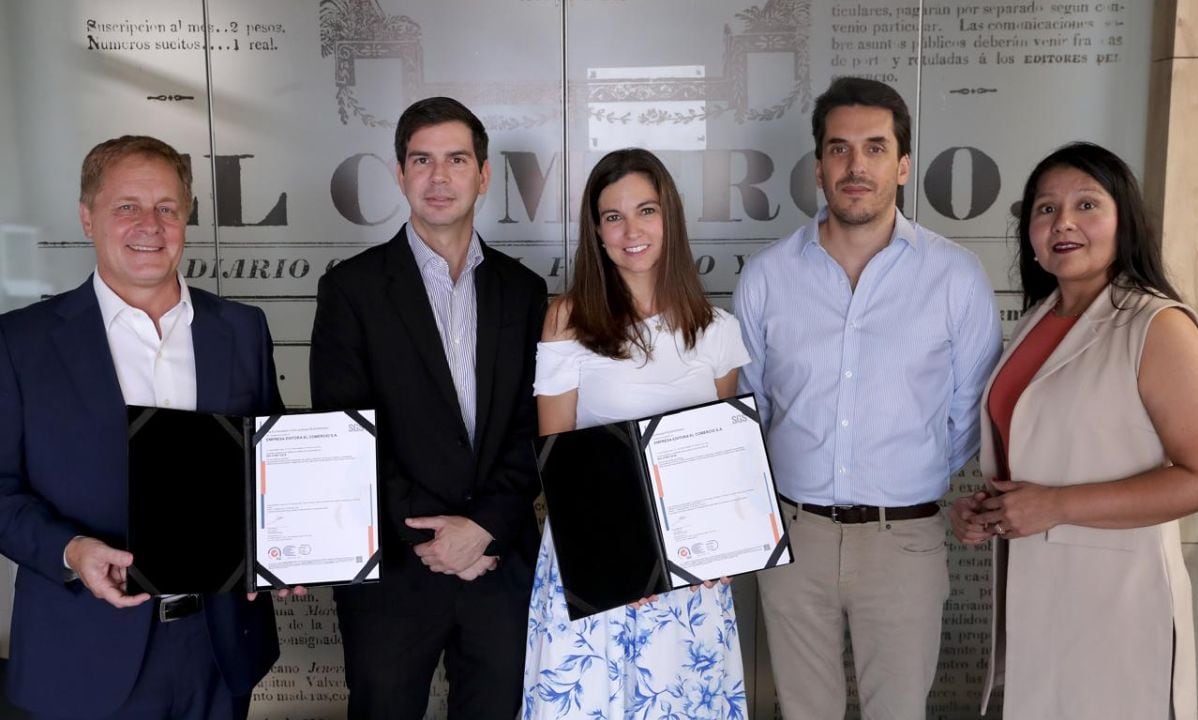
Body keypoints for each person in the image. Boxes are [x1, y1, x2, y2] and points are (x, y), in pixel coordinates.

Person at [734, 76, 1002, 719]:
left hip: (904, 542)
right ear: (819, 164)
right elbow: (751, 408)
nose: (857, 166)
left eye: (876, 148)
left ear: (903, 164)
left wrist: (910, 478)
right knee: (803, 711)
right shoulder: (768, 276)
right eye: (839, 148)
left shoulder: (955, 278)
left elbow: (968, 414)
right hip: (794, 538)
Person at [0, 135, 282, 718]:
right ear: (87, 217)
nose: (149, 225)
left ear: (186, 218)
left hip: (218, 648)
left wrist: (283, 550)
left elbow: (268, 466)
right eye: (126, 206)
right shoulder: (19, 343)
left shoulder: (242, 329)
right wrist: (71, 550)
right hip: (82, 652)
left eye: (167, 208)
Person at [309, 96, 546, 719]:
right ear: (399, 173)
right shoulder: (350, 290)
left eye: (456, 159)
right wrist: (438, 538)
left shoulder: (524, 292)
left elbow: (534, 427)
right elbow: (345, 434)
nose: (439, 178)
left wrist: (482, 530)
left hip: (498, 563)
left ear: (484, 174)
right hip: (394, 569)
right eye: (422, 160)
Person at [949, 142, 1198, 720]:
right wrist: (991, 508)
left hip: (1117, 603)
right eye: (1045, 209)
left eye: (1087, 205)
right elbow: (1046, 455)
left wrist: (1056, 505)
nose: (1063, 222)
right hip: (1039, 597)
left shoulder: (1155, 324)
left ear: (1124, 222)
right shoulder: (1041, 319)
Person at [521, 148, 750, 719]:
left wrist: (720, 544)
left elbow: (724, 459)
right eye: (612, 216)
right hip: (595, 564)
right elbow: (562, 465)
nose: (631, 231)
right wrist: (626, 557)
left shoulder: (718, 331)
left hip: (690, 576)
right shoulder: (567, 320)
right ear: (596, 232)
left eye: (646, 211)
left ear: (669, 217)